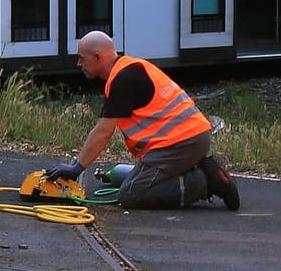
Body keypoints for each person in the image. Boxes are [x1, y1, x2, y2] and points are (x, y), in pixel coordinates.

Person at [42, 31, 238, 210]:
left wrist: (76, 167)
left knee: (130, 195)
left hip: (180, 144)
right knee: (136, 183)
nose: (78, 64)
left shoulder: (123, 80)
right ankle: (197, 170)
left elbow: (103, 131)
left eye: (81, 59)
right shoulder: (130, 69)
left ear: (97, 57)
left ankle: (204, 181)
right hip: (189, 139)